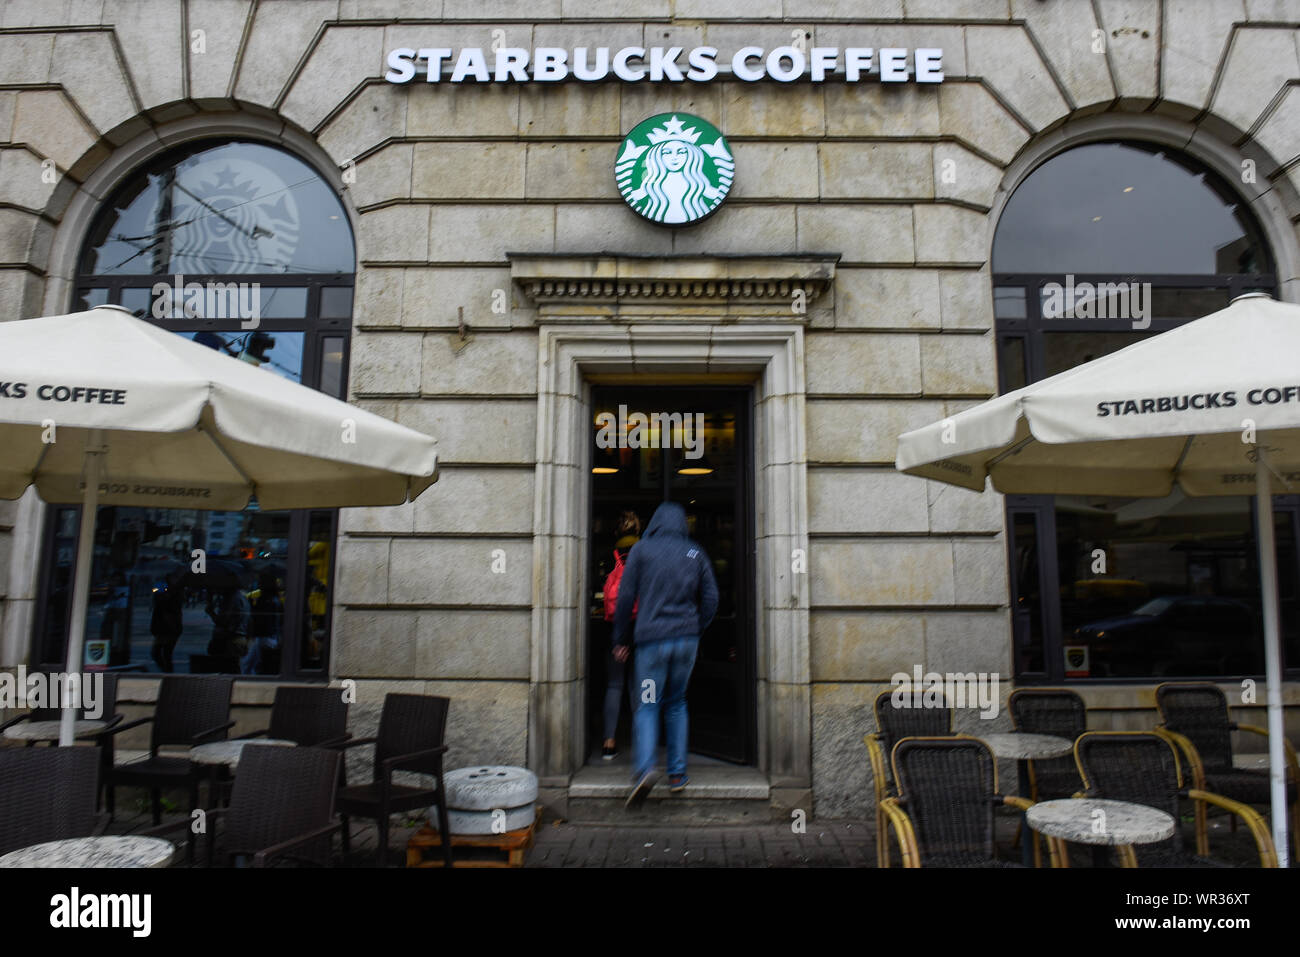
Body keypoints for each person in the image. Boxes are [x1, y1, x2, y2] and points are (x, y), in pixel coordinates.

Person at [611, 501, 718, 809]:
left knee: (647, 705)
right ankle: (677, 775)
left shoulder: (643, 551)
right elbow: (711, 596)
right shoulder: (695, 552)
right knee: (677, 702)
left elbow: (625, 598)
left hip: (652, 643)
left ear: (655, 523)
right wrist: (696, 626)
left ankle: (645, 770)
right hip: (686, 642)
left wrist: (621, 638)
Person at [601, 510, 641, 760]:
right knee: (639, 687)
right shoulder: (644, 553)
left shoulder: (609, 555)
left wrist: (619, 639)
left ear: (616, 531)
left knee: (614, 685)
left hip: (615, 627)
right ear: (638, 530)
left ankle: (608, 742)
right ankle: (642, 742)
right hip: (640, 627)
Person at [149, 571, 186, 673]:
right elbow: (155, 594)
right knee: (160, 653)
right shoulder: (162, 587)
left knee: (163, 653)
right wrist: (158, 591)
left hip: (170, 626)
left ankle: (168, 673)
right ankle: (167, 672)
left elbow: (171, 607)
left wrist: (164, 594)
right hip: (164, 626)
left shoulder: (176, 591)